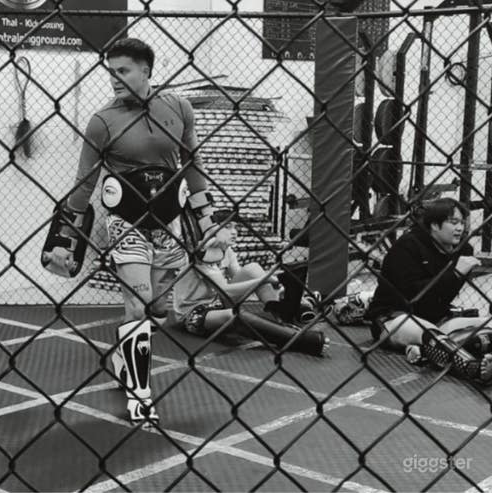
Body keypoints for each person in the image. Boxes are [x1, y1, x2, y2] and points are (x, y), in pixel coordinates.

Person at [45, 38, 223, 428]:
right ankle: (139, 395)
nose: (114, 79)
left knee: (155, 309)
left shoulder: (178, 108)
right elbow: (83, 183)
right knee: (137, 305)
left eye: (123, 71)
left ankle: (124, 357)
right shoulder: (102, 121)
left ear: (146, 70)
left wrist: (207, 221)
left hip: (168, 225)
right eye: (110, 72)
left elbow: (193, 164)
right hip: (124, 224)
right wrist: (65, 238)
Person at [365, 198, 492, 383]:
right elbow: (414, 298)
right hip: (395, 317)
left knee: (487, 323)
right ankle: (471, 368)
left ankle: (425, 352)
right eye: (453, 222)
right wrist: (455, 273)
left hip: (438, 319)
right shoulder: (407, 246)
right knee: (428, 332)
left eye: (462, 223)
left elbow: (442, 299)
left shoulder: (463, 250)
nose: (460, 228)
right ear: (434, 225)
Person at [172, 209, 329, 356]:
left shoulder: (226, 250)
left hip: (217, 303)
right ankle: (297, 339)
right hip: (194, 314)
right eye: (228, 227)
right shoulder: (203, 253)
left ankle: (281, 314)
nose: (234, 232)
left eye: (236, 227)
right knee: (233, 316)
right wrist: (265, 279)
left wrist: (276, 282)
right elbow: (226, 290)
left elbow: (242, 277)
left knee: (253, 268)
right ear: (213, 230)